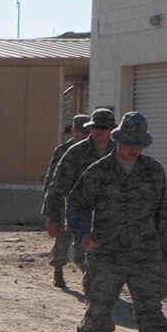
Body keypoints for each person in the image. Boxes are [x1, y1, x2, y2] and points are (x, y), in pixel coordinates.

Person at [66, 111, 167, 332]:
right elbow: (76, 205)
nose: (134, 148)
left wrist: (165, 255)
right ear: (118, 139)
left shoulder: (153, 171)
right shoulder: (98, 172)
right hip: (106, 255)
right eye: (129, 142)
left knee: (151, 313)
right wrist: (83, 234)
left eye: (139, 143)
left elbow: (162, 215)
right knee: (98, 310)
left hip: (145, 255)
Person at [44, 107, 116, 274]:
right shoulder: (74, 153)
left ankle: (98, 287)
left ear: (112, 129)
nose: (99, 131)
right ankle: (66, 270)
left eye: (104, 128)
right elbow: (57, 186)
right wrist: (53, 218)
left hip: (110, 216)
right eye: (96, 127)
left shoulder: (119, 153)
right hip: (80, 212)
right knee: (81, 255)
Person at [43, 114, 92, 288]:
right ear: (74, 130)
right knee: (62, 239)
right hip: (64, 201)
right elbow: (52, 181)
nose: (85, 135)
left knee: (84, 241)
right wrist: (50, 212)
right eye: (82, 132)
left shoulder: (92, 150)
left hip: (85, 203)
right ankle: (58, 268)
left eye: (88, 132)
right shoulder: (62, 151)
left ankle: (88, 275)